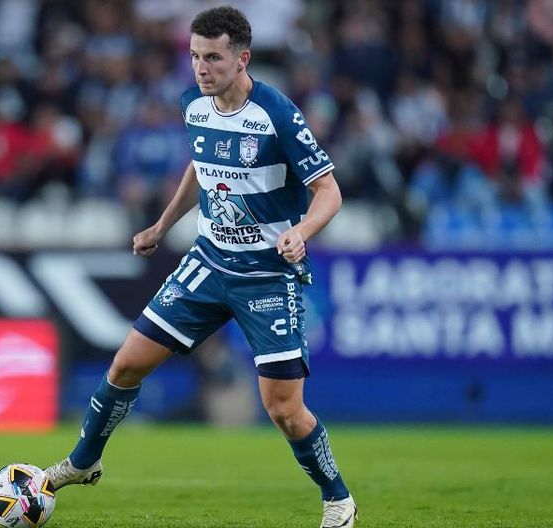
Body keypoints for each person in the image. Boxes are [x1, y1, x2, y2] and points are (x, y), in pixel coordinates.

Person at [44, 6, 357, 528]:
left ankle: (338, 499)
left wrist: (300, 232)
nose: (200, 68)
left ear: (242, 59)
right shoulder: (193, 103)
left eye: (212, 57)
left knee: (283, 409)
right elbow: (200, 165)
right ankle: (83, 462)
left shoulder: (276, 113)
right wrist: (162, 225)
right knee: (126, 365)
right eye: (194, 57)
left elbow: (329, 191)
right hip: (207, 262)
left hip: (265, 275)